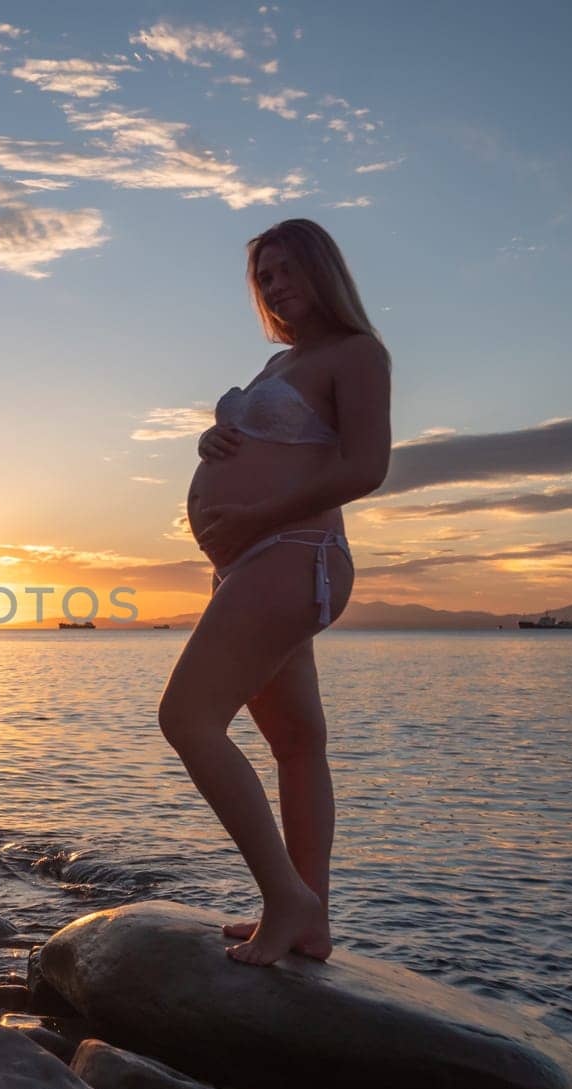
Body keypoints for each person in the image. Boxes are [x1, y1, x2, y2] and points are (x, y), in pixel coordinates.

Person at [158, 218, 392, 966]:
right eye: (264, 277)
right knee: (296, 743)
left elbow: (366, 467)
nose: (276, 285)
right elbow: (273, 444)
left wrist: (256, 513)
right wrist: (213, 444)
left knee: (187, 720)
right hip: (252, 562)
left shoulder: (358, 354)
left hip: (296, 553)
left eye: (288, 270)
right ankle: (309, 920)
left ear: (324, 271)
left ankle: (287, 897)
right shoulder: (278, 365)